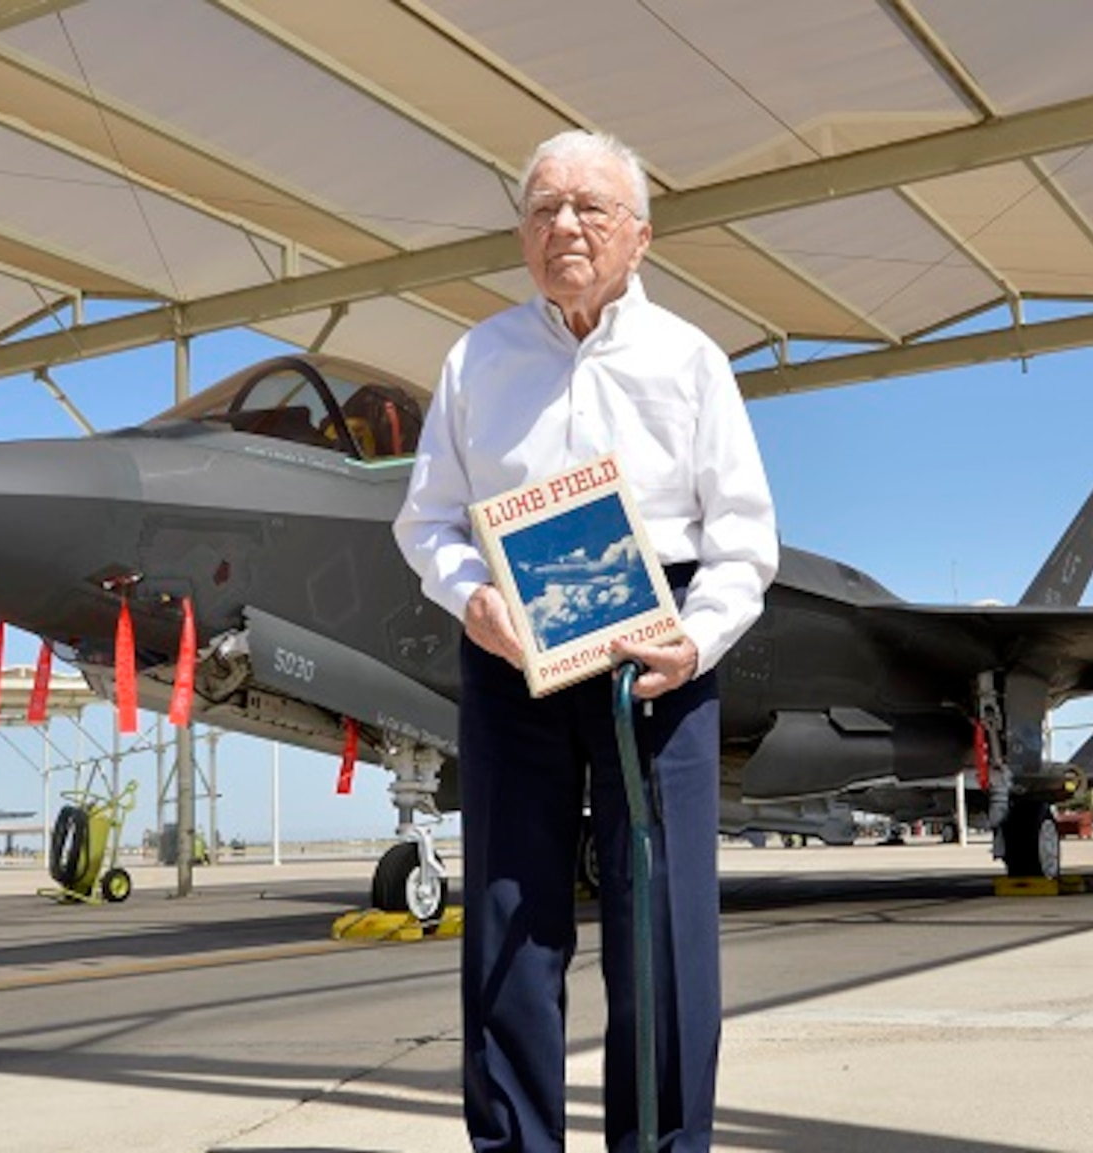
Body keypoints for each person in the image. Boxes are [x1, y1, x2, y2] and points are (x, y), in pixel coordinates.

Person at [394, 130, 778, 1152]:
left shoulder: (689, 361)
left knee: (660, 923)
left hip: (657, 652)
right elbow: (425, 520)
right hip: (511, 647)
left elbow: (744, 541)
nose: (562, 224)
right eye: (542, 208)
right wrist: (470, 594)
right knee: (510, 916)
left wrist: (693, 642)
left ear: (638, 236)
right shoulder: (475, 358)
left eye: (589, 207)